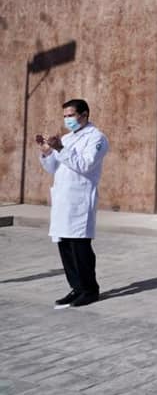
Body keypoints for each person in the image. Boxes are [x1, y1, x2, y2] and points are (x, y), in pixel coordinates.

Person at [37, 99, 109, 308]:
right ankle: (76, 287)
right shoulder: (67, 138)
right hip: (63, 200)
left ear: (84, 115)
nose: (67, 120)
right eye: (65, 116)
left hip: (80, 200)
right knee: (65, 246)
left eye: (71, 115)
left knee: (80, 248)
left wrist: (60, 148)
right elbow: (53, 168)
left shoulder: (97, 138)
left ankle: (89, 290)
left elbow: (85, 164)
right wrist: (47, 151)